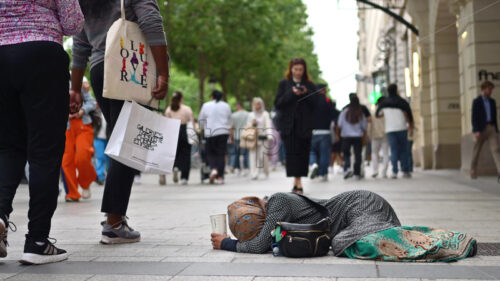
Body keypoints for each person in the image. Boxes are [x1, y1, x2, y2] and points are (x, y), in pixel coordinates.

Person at [71, 0, 169, 244]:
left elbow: (80, 42)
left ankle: (114, 218)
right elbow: (151, 21)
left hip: (99, 68)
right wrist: (163, 72)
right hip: (129, 63)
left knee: (121, 138)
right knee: (127, 142)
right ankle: (114, 221)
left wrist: (75, 88)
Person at [0, 0, 84, 264]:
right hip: (42, 56)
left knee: (7, 147)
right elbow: (73, 23)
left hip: (1, 58)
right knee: (44, 152)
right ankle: (37, 241)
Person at [210, 190, 477, 262]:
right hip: (357, 213)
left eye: (258, 226)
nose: (263, 230)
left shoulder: (277, 200)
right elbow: (266, 244)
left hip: (361, 205)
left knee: (343, 243)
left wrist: (226, 243)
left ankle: (441, 242)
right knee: (346, 243)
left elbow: (258, 246)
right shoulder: (276, 215)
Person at [274, 58, 317, 195]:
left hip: (304, 127)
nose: (298, 72)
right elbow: (278, 103)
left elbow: (316, 103)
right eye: (295, 69)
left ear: (304, 70)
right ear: (291, 69)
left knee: (303, 154)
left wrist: (305, 92)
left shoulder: (309, 85)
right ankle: (296, 181)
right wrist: (292, 93)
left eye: (300, 69)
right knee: (291, 154)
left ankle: (299, 181)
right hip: (289, 127)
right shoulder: (284, 84)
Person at [62, 77, 97, 202]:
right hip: (66, 127)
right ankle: (72, 193)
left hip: (83, 124)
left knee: (82, 156)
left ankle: (86, 182)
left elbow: (91, 102)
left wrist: (82, 111)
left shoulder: (76, 81)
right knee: (66, 161)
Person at [376, 84, 413, 179]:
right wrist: (411, 127)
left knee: (394, 150)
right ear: (396, 90)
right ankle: (405, 170)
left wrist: (386, 115)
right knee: (404, 150)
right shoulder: (402, 102)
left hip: (390, 129)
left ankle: (394, 171)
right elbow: (409, 115)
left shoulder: (384, 103)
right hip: (402, 128)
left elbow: (378, 115)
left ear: (388, 91)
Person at [199, 90, 232, 184]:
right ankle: (220, 177)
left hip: (210, 132)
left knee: (210, 153)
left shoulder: (206, 105)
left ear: (212, 97)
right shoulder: (226, 105)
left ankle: (213, 169)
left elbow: (201, 119)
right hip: (223, 132)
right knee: (221, 154)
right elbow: (230, 119)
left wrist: (202, 129)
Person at [470, 81, 500, 180]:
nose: (491, 91)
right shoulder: (477, 101)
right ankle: (473, 171)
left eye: (491, 89)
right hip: (480, 129)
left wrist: (496, 129)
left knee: (496, 150)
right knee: (476, 151)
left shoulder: (492, 101)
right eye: (489, 89)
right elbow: (474, 117)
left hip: (491, 128)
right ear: (483, 89)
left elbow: (495, 116)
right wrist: (476, 130)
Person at [166, 91, 195, 185]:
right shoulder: (186, 109)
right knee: (186, 155)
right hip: (184, 131)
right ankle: (184, 178)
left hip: (173, 131)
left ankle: (176, 167)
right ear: (181, 98)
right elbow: (192, 122)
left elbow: (167, 122)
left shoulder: (169, 109)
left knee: (175, 152)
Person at [336, 96, 367, 180]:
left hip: (346, 136)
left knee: (346, 153)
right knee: (357, 155)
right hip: (357, 137)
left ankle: (347, 168)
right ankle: (357, 173)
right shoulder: (360, 113)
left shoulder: (344, 112)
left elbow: (339, 125)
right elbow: (364, 127)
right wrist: (364, 138)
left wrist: (337, 135)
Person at [309, 84, 335, 182]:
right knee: (324, 153)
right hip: (325, 132)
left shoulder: (312, 102)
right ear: (323, 91)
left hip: (314, 132)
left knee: (312, 151)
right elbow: (333, 115)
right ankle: (323, 173)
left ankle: (314, 164)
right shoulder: (328, 102)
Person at [246, 98, 272, 180]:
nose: (257, 106)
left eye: (259, 104)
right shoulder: (251, 115)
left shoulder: (265, 114)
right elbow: (247, 126)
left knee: (262, 157)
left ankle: (266, 170)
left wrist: (269, 135)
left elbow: (268, 125)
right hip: (253, 139)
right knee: (253, 156)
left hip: (263, 138)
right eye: (256, 104)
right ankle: (254, 173)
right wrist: (253, 124)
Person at [369, 97, 389, 178]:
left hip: (375, 135)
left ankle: (375, 171)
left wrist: (369, 135)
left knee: (374, 153)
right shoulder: (386, 112)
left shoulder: (373, 112)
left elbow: (370, 125)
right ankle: (384, 172)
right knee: (385, 153)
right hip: (385, 134)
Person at [229, 102, 250, 175]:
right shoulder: (247, 114)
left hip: (236, 136)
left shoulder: (233, 115)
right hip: (245, 135)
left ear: (237, 106)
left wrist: (231, 136)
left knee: (236, 153)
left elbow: (232, 127)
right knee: (245, 153)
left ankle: (237, 168)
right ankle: (245, 168)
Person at [93, 108, 109, 186]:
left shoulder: (110, 112)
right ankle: (100, 177)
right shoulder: (97, 112)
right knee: (100, 157)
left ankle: (109, 176)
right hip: (98, 137)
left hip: (109, 138)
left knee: (109, 158)